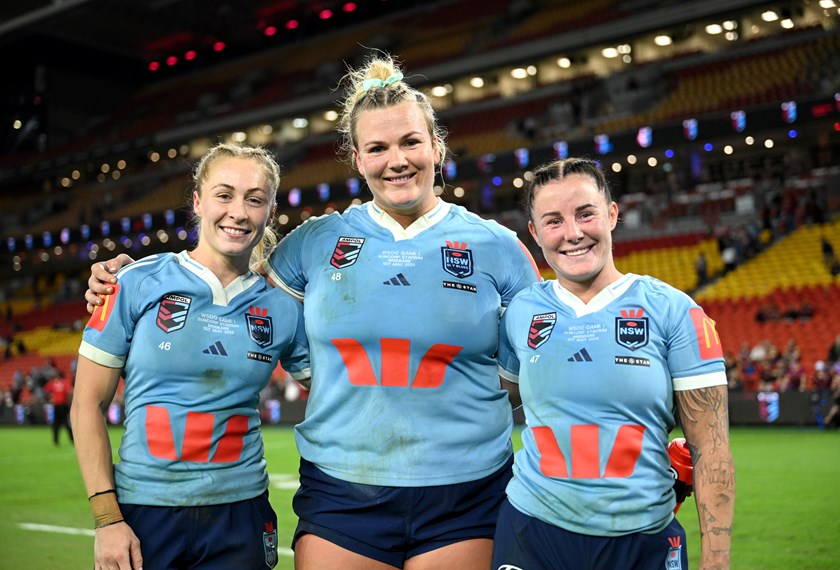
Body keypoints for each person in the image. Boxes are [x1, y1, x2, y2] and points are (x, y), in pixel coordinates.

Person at [85, 53, 541, 570]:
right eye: (378, 148)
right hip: (343, 490)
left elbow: (525, 372)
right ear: (356, 158)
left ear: (436, 145)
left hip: (466, 490)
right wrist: (131, 278)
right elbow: (230, 284)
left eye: (411, 142)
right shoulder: (314, 242)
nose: (397, 160)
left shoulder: (499, 247)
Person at [72, 143, 310, 570]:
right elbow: (87, 404)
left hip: (241, 513)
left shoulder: (283, 307)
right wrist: (107, 519)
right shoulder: (133, 282)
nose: (238, 212)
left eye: (255, 200)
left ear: (271, 213)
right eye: (224, 195)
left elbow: (337, 386)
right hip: (145, 512)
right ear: (198, 202)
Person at [492, 158, 735, 569]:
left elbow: (711, 449)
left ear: (612, 214)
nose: (573, 233)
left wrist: (716, 561)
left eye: (585, 214)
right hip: (531, 533)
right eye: (554, 221)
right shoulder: (520, 312)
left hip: (641, 541)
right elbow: (500, 399)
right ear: (534, 233)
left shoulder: (674, 311)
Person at [43, 373, 74, 445]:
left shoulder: (52, 383)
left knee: (56, 424)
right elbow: (70, 391)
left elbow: (46, 390)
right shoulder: (65, 382)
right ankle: (72, 439)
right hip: (63, 405)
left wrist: (49, 398)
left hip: (56, 405)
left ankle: (55, 440)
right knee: (66, 423)